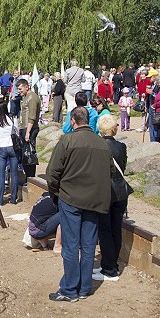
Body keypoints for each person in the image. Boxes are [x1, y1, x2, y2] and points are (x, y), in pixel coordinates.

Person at [46, 106, 112, 302]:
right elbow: (109, 172)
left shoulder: (68, 140)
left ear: (73, 121)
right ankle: (84, 288)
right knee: (89, 244)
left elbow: (52, 173)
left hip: (71, 198)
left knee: (71, 245)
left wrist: (56, 193)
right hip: (94, 200)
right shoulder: (102, 144)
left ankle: (69, 289)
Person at [95, 114, 129, 282]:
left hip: (105, 190)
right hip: (120, 191)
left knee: (105, 230)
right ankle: (111, 265)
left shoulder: (98, 146)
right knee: (116, 229)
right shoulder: (121, 146)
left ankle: (109, 269)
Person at [18, 78, 41, 178]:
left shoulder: (32, 97)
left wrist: (28, 132)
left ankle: (30, 177)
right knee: (24, 153)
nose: (19, 91)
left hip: (30, 128)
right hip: (25, 127)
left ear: (26, 87)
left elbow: (32, 116)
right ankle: (27, 176)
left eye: (20, 89)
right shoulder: (27, 96)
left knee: (29, 153)